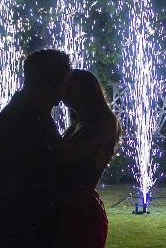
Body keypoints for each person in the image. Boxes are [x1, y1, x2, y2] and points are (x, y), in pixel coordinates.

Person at [0, 49, 72, 248]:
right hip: (22, 235)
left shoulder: (30, 114)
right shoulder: (24, 121)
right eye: (65, 83)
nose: (67, 90)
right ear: (50, 84)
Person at [46, 69, 122, 248]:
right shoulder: (77, 124)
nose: (63, 92)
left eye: (69, 87)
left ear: (86, 91)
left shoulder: (104, 123)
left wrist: (46, 121)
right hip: (68, 208)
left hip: (80, 212)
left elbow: (68, 158)